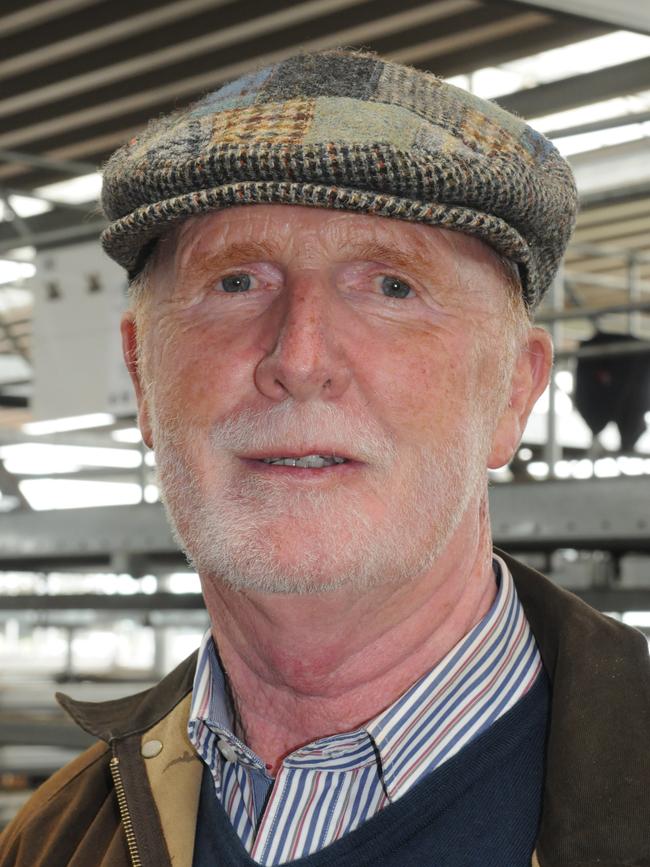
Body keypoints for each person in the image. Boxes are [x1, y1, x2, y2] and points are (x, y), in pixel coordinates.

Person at [1, 49, 648, 867]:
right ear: (142, 378)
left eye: (392, 287)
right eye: (236, 282)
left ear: (514, 393)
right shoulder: (58, 837)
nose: (299, 358)